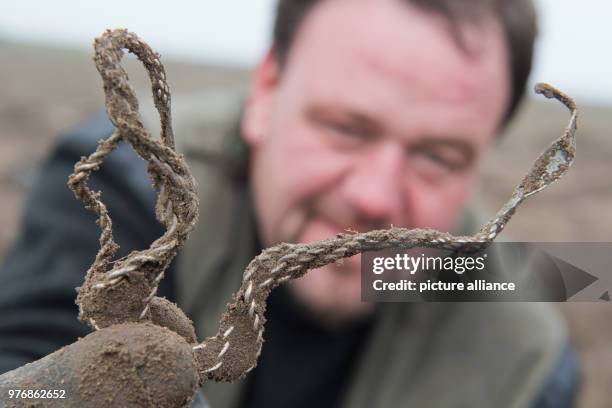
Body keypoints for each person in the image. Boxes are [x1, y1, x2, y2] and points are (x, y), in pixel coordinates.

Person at [0, 0, 580, 407]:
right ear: (266, 93)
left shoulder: (525, 344)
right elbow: (32, 347)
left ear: (482, 160)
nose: (373, 195)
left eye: (437, 156)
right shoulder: (131, 179)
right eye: (346, 128)